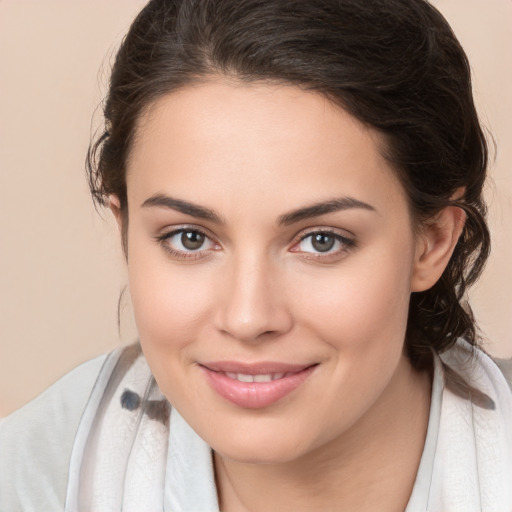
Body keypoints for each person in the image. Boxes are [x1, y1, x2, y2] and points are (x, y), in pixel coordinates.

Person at [1, 0, 511, 510]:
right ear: (126, 231)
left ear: (433, 241)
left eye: (321, 240)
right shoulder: (30, 481)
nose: (248, 318)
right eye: (190, 238)